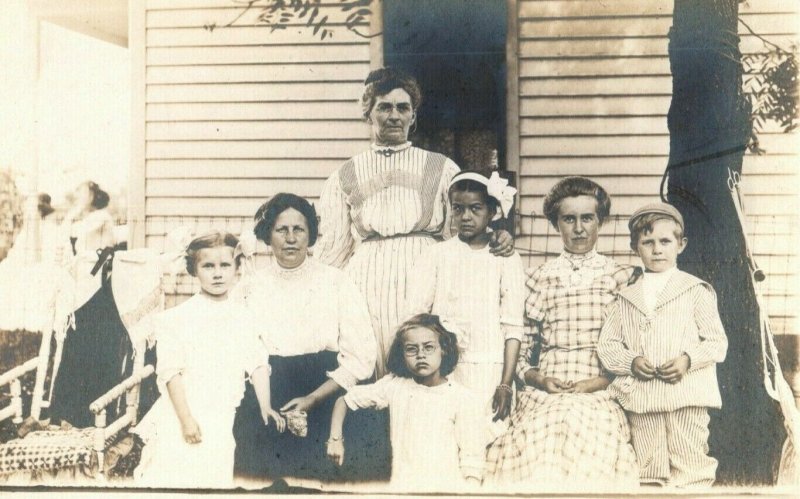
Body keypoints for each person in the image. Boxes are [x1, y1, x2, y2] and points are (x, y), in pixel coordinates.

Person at [316, 67, 514, 376]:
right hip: (365, 281)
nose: (394, 115)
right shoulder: (344, 174)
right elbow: (334, 251)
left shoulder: (441, 167)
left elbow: (461, 231)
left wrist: (496, 237)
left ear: (413, 115)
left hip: (427, 272)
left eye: (403, 107)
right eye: (384, 107)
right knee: (371, 365)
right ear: (368, 113)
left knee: (422, 361)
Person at [485, 176, 638, 488]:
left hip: (601, 389)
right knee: (542, 440)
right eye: (569, 219)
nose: (578, 228)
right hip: (548, 390)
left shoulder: (621, 278)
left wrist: (600, 381)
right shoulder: (540, 278)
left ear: (601, 221)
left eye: (587, 218)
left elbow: (630, 347)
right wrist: (540, 379)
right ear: (556, 224)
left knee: (589, 441)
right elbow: (524, 349)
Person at [232, 193, 377, 482]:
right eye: (281, 230)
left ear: (310, 235)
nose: (290, 238)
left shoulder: (335, 282)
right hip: (268, 391)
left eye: (299, 229)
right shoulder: (250, 287)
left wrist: (313, 398)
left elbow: (362, 356)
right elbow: (239, 349)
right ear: (267, 235)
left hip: (325, 389)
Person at [135, 231, 279, 489]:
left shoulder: (244, 317)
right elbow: (171, 373)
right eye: (208, 266)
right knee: (176, 476)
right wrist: (186, 419)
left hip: (222, 415)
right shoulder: (177, 319)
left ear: (237, 268)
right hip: (184, 413)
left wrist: (265, 405)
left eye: (225, 265)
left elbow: (257, 362)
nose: (217, 273)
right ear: (194, 270)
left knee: (214, 476)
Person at [598, 202, 728, 488]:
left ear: (681, 245)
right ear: (636, 247)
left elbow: (717, 342)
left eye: (665, 241)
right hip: (643, 399)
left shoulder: (695, 290)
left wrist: (687, 359)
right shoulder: (626, 298)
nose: (657, 249)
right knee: (648, 469)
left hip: (686, 396)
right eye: (648, 242)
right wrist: (630, 361)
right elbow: (607, 346)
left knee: (691, 463)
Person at [404, 170, 525, 432]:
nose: (466, 217)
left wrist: (505, 383)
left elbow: (513, 327)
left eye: (475, 208)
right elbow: (416, 317)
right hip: (444, 370)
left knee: (485, 435)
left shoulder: (506, 258)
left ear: (492, 211)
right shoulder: (436, 255)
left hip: (489, 369)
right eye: (458, 209)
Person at [326, 314, 485, 493]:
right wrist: (335, 439)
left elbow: (472, 464)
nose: (420, 355)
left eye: (429, 347)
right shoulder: (395, 386)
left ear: (444, 349)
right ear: (402, 354)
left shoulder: (462, 398)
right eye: (411, 349)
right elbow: (345, 400)